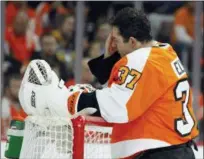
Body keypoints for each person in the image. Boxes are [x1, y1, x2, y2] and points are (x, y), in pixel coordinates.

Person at [19, 7, 199, 159]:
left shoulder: (142, 60)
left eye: (116, 40)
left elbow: (117, 106)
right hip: (177, 148)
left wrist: (70, 101)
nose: (113, 44)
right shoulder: (165, 51)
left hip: (158, 152)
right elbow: (126, 82)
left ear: (133, 41)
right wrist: (108, 57)